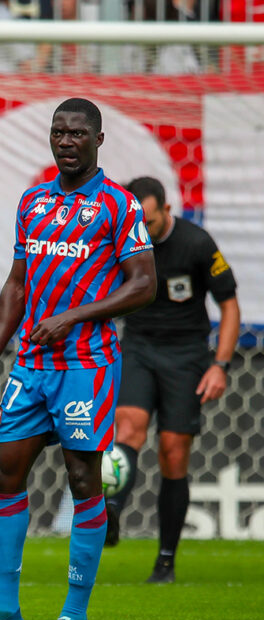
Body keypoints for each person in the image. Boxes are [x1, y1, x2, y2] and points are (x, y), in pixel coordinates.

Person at [0, 98, 157, 620]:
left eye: (77, 133)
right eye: (58, 131)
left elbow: (144, 284)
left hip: (86, 364)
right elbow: (17, 283)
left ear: (98, 140)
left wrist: (74, 316)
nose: (66, 140)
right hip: (30, 366)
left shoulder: (119, 205)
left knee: (83, 479)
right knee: (2, 473)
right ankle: (4, 613)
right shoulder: (33, 200)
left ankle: (75, 617)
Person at [104, 176, 239, 583]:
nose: (143, 229)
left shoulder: (197, 243)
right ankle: (111, 513)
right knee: (128, 427)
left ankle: (165, 560)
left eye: (149, 219)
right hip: (139, 348)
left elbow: (229, 306)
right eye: (137, 221)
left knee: (173, 452)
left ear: (166, 209)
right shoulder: (123, 242)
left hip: (187, 356)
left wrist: (221, 365)